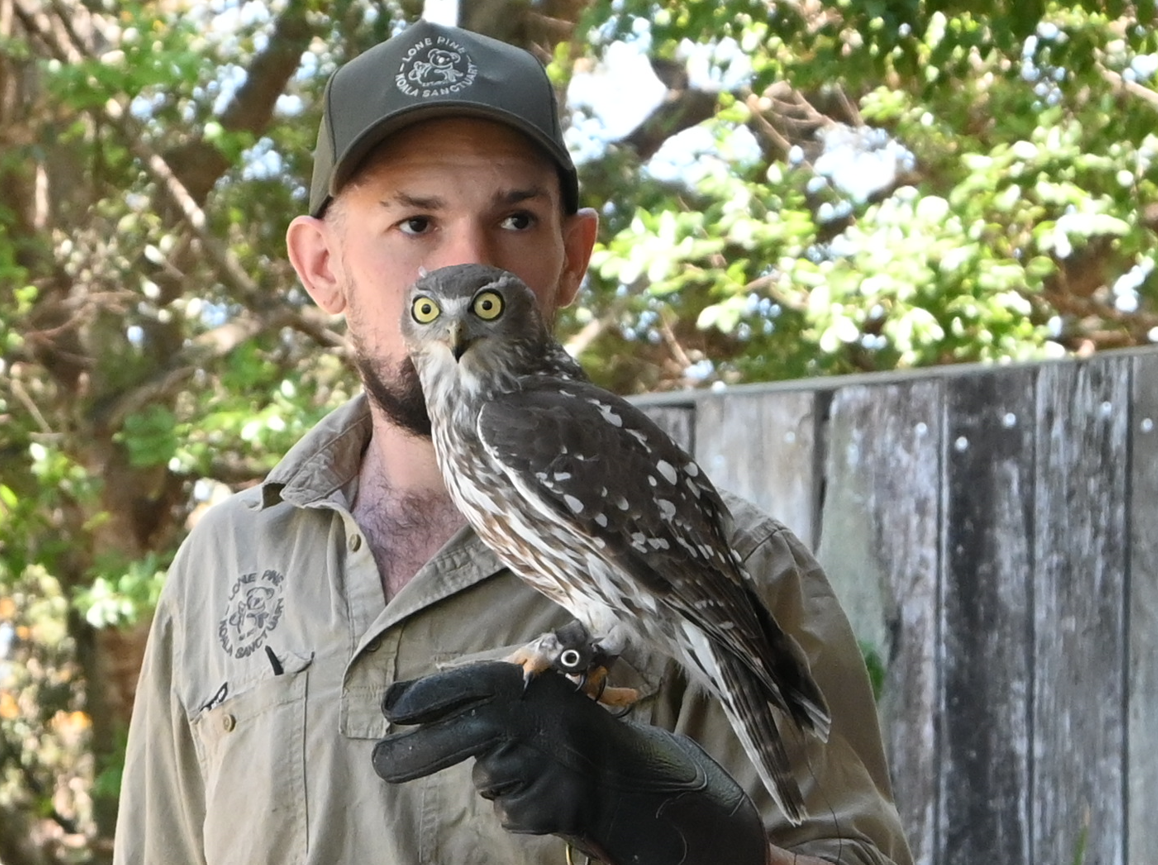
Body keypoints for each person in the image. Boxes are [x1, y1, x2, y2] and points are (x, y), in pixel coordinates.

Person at [113, 19, 913, 865]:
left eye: (518, 219)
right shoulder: (225, 564)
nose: (469, 263)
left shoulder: (749, 561)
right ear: (321, 266)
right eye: (416, 224)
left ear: (572, 257)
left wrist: (690, 840)